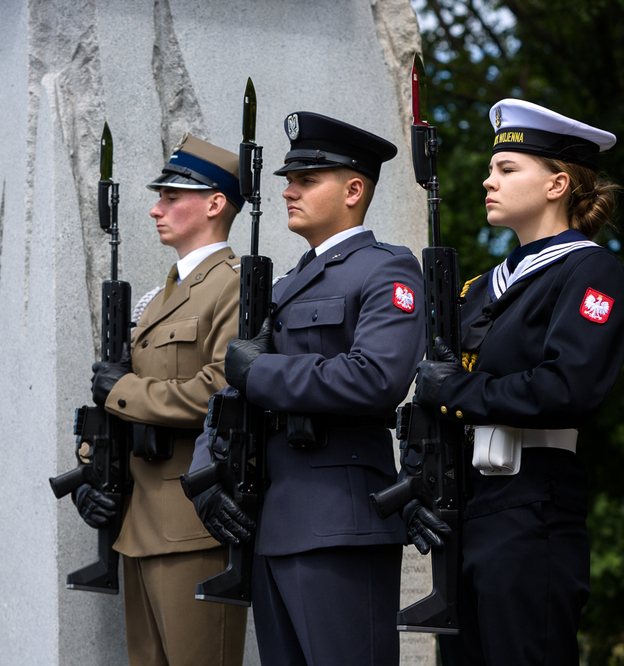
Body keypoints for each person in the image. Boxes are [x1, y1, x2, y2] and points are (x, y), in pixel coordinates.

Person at [190, 112, 425, 665]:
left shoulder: (386, 269)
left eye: (307, 180)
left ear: (353, 189)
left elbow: (376, 378)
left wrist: (260, 373)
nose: (289, 191)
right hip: (271, 521)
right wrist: (205, 474)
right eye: (288, 180)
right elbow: (230, 398)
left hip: (338, 523)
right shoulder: (284, 285)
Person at [413, 99, 624, 665]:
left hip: (533, 507)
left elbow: (567, 387)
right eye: (491, 169)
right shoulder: (478, 290)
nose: (489, 180)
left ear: (557, 183)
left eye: (507, 170)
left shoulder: (590, 271)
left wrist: (454, 390)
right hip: (464, 506)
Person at [83, 134, 248, 665]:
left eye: (172, 197)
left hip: (193, 525)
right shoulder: (164, 294)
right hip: (140, 521)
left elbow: (223, 391)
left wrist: (123, 392)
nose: (156, 208)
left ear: (215, 203)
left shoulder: (233, 286)